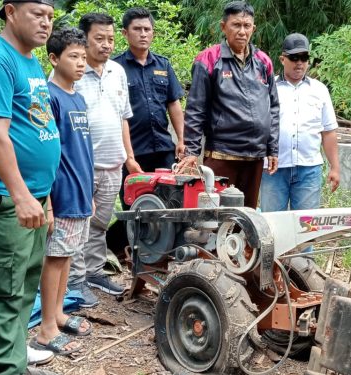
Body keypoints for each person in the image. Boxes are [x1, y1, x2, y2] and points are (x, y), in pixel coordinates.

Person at [0, 0, 60, 373]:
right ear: (10, 11)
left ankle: (11, 362)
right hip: (2, 200)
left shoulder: (30, 61)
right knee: (4, 293)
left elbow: (36, 129)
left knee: (22, 288)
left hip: (31, 198)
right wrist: (21, 196)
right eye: (38, 14)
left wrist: (44, 200)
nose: (46, 23)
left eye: (50, 17)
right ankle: (7, 369)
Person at [29, 27, 94, 357]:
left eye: (84, 57)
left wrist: (91, 192)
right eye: (73, 56)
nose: (81, 63)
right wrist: (50, 205)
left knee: (66, 256)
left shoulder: (78, 97)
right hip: (62, 194)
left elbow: (83, 150)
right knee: (53, 259)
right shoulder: (50, 97)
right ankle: (45, 329)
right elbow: (48, 154)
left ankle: (57, 314)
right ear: (53, 59)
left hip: (80, 193)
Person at [176, 1, 279, 208]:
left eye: (247, 26)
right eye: (236, 25)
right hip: (222, 153)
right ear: (224, 27)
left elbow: (273, 107)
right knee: (215, 216)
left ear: (253, 28)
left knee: (247, 216)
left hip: (255, 156)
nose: (242, 31)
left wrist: (273, 148)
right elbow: (196, 109)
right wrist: (192, 153)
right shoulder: (208, 59)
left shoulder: (263, 61)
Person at [70, 13, 140, 301]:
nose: (106, 44)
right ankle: (74, 281)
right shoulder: (71, 72)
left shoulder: (117, 72)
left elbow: (123, 117)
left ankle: (94, 272)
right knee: (77, 222)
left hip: (113, 164)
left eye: (110, 39)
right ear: (84, 39)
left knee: (100, 221)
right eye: (99, 38)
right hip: (83, 164)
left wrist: (129, 158)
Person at [260, 33, 340, 226]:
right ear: (282, 59)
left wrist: (335, 167)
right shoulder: (268, 89)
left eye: (304, 58)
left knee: (306, 226)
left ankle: (304, 257)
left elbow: (328, 132)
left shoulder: (320, 90)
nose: (299, 63)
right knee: (272, 225)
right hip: (273, 170)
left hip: (308, 170)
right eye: (294, 58)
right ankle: (275, 257)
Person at [114, 7, 185, 178]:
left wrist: (182, 139)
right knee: (135, 201)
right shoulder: (115, 68)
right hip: (133, 152)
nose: (143, 34)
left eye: (147, 29)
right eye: (137, 29)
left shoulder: (163, 65)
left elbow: (173, 103)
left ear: (153, 33)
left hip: (164, 148)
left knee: (170, 199)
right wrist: (127, 156)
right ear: (125, 33)